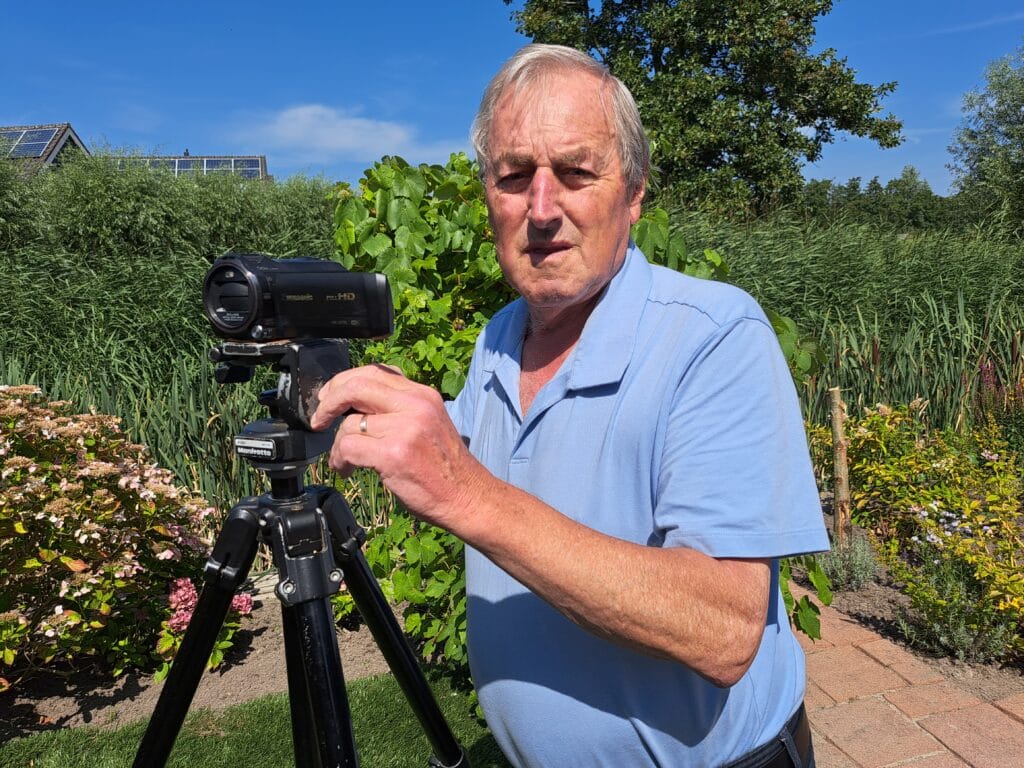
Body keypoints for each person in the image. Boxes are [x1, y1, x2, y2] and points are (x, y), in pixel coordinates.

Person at [312, 43, 829, 768]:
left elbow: (722, 628)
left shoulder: (714, 336)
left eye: (577, 172)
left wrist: (462, 489)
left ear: (635, 192)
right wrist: (412, 427)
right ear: (488, 194)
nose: (542, 208)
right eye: (514, 175)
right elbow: (496, 459)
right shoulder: (500, 335)